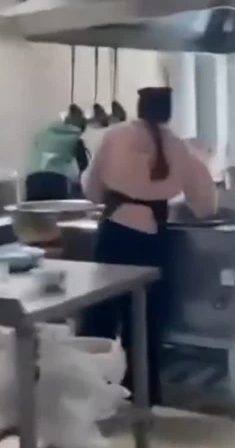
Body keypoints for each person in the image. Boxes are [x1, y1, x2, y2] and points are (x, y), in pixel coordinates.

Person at [78, 87, 218, 406]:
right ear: (168, 111)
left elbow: (92, 189)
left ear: (140, 107)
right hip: (155, 239)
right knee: (146, 319)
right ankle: (144, 392)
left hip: (116, 235)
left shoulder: (115, 137)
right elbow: (205, 203)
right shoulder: (179, 147)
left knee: (100, 314)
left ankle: (89, 391)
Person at [25, 105, 90, 200]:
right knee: (59, 208)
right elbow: (84, 169)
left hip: (32, 180)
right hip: (56, 181)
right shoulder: (76, 140)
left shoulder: (44, 132)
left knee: (37, 208)